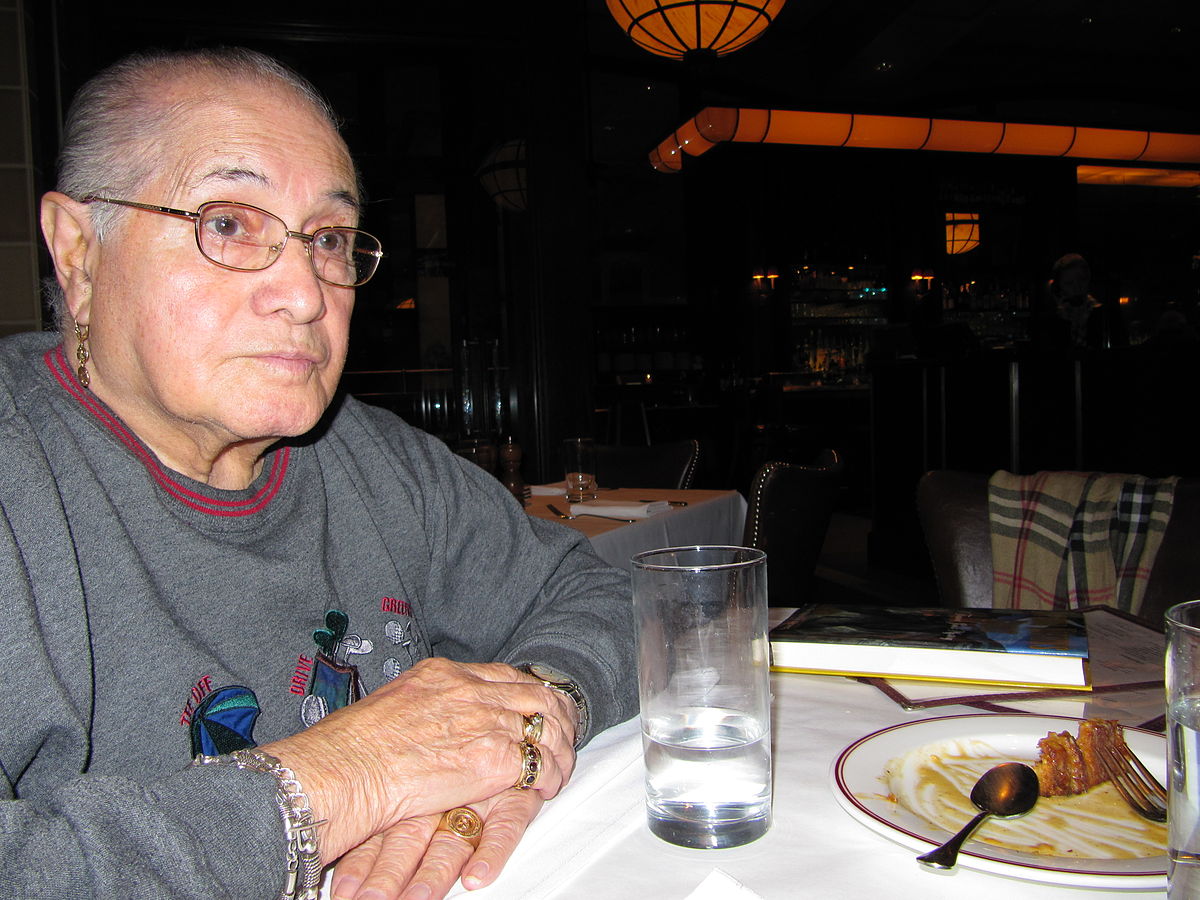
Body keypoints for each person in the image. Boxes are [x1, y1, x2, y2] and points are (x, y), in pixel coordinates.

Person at [0, 47, 637, 900]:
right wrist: (341, 778)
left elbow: (605, 598)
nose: (305, 292)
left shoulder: (374, 460)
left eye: (329, 240)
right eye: (229, 222)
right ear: (79, 254)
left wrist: (531, 714)